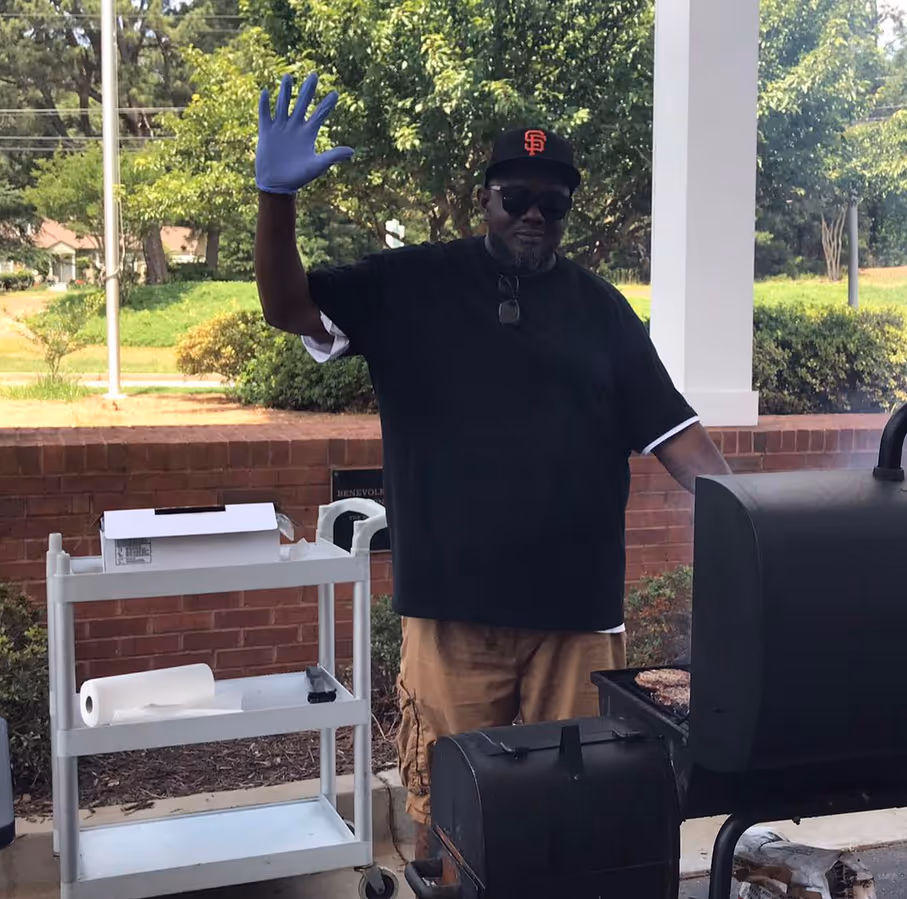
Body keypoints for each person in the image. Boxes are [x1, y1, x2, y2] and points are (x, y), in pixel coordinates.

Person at [253, 74, 732, 854]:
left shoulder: (601, 309)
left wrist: (755, 520)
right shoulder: (407, 284)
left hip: (577, 621)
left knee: (575, 816)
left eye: (555, 204)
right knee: (449, 816)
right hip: (453, 613)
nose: (535, 216)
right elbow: (287, 305)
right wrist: (276, 198)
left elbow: (677, 435)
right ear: (486, 200)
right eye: (517, 198)